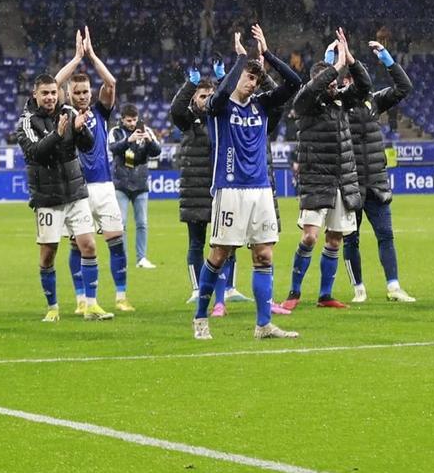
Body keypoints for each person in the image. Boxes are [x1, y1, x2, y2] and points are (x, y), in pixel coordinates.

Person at [192, 25, 302, 342]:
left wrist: (266, 55)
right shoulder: (220, 106)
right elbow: (218, 96)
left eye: (256, 78)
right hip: (229, 189)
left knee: (264, 255)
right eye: (247, 76)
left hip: (261, 189)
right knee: (219, 254)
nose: (252, 83)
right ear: (237, 74)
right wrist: (241, 57)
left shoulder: (262, 104)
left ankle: (264, 324)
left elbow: (294, 83)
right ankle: (201, 318)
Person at [14, 74, 110, 322]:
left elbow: (88, 146)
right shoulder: (26, 122)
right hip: (47, 197)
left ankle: (91, 305)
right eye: (44, 93)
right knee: (48, 254)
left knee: (88, 245)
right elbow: (35, 153)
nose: (49, 97)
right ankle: (53, 307)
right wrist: (57, 134)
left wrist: (80, 130)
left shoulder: (68, 110)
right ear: (35, 94)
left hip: (75, 191)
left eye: (53, 92)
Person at [279, 30, 362, 314]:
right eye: (329, 81)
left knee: (335, 238)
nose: (334, 85)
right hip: (316, 180)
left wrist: (350, 60)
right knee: (310, 237)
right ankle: (294, 292)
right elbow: (312, 90)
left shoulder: (339, 101)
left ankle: (325, 294)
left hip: (342, 179)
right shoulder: (306, 104)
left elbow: (364, 87)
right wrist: (335, 67)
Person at [55, 27, 134, 312]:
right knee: (79, 245)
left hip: (104, 187)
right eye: (76, 92)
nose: (82, 96)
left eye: (86, 91)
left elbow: (111, 83)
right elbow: (53, 83)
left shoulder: (101, 112)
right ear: (69, 94)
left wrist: (92, 56)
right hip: (76, 188)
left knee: (116, 240)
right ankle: (80, 299)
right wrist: (77, 59)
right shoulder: (63, 112)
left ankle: (121, 297)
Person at [341, 36, 415, 303]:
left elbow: (404, 87)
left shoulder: (374, 100)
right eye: (349, 79)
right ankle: (358, 288)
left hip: (376, 183)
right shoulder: (338, 105)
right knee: (351, 240)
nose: (355, 84)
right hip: (351, 184)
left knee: (386, 235)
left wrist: (389, 61)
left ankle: (393, 287)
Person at [169, 61, 237, 318]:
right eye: (202, 95)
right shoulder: (188, 120)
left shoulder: (221, 117)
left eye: (211, 96)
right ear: (194, 98)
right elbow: (176, 108)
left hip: (222, 189)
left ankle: (225, 291)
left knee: (226, 243)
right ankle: (199, 289)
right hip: (195, 191)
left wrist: (221, 82)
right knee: (196, 243)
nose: (207, 99)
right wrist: (191, 83)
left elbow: (230, 98)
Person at [110, 103, 160, 271]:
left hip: (140, 183)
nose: (132, 123)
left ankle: (142, 258)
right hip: (121, 184)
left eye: (134, 120)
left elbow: (157, 151)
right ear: (122, 119)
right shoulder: (115, 132)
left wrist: (149, 140)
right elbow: (113, 148)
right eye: (129, 120)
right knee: (121, 223)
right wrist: (127, 141)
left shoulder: (147, 131)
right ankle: (122, 258)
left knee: (142, 223)